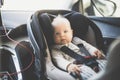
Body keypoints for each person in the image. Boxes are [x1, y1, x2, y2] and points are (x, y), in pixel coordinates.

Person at [50, 15, 106, 80]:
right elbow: (58, 60)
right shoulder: (55, 49)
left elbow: (88, 47)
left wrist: (94, 51)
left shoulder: (76, 40)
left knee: (106, 65)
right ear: (52, 36)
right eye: (57, 33)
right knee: (85, 73)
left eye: (65, 31)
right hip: (78, 66)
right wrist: (68, 66)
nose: (62, 35)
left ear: (71, 32)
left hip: (92, 60)